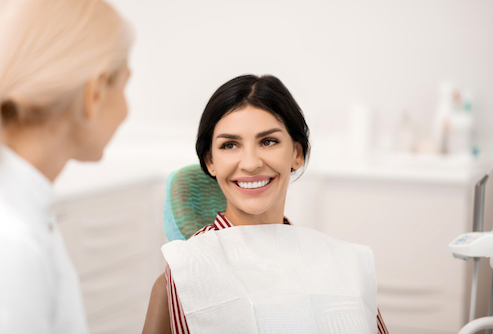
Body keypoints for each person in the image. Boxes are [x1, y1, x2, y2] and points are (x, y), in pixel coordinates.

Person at [143, 74, 389, 333]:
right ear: (210, 161)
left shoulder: (347, 267)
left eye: (268, 141)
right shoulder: (181, 281)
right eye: (229, 145)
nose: (250, 163)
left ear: (297, 153)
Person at [0, 0, 133, 332]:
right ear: (95, 95)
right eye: (124, 86)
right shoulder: (10, 244)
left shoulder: (18, 212)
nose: (126, 109)